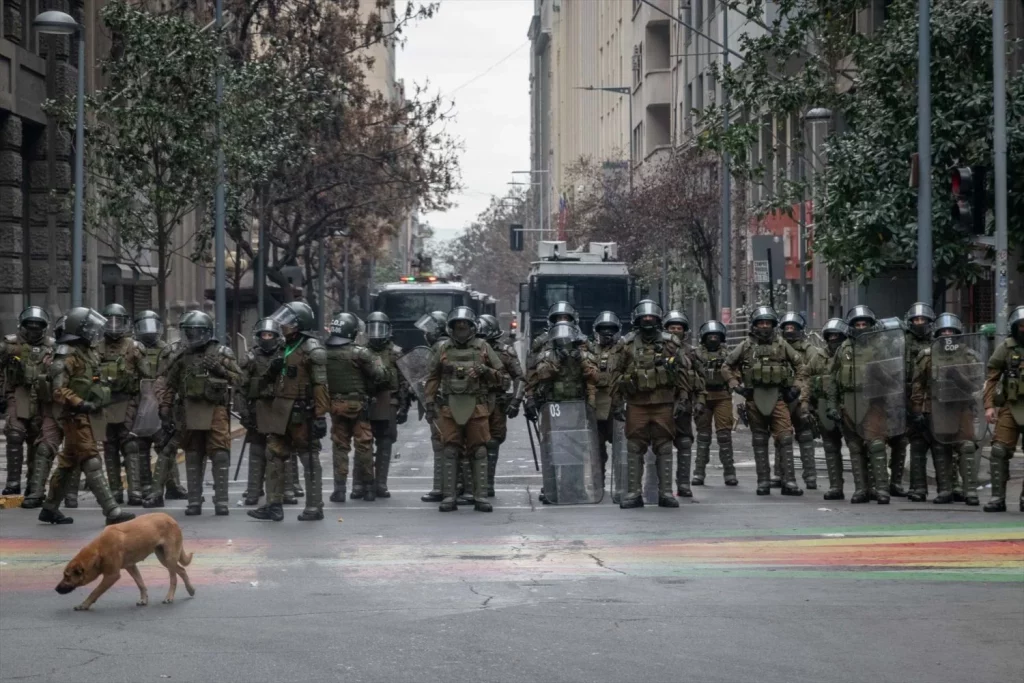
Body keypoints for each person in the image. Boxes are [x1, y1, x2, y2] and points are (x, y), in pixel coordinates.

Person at [40, 307, 135, 526]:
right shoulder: (67, 354)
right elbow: (58, 390)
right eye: (89, 327)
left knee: (67, 463)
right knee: (91, 460)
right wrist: (81, 403)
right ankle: (111, 510)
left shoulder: (86, 351)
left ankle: (49, 508)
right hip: (74, 417)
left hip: (86, 415)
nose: (94, 332)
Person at [248, 302, 328, 522]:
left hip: (303, 413)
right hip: (281, 412)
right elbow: (266, 382)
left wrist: (320, 416)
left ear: (299, 324)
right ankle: (274, 505)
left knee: (308, 457)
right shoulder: (284, 347)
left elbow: (321, 385)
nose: (283, 326)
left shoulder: (312, 349)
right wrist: (271, 372)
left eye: (289, 322)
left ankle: (314, 506)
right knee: (273, 455)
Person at [424, 306, 505, 513]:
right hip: (450, 406)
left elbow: (502, 377)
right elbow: (432, 376)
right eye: (457, 326)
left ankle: (480, 496)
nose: (461, 329)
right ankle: (449, 496)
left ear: (472, 327)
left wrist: (484, 370)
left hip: (477, 407)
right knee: (450, 449)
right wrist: (429, 403)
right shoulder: (443, 348)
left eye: (464, 325)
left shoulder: (483, 347)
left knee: (479, 451)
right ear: (450, 328)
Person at [160, 310, 240, 516]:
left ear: (205, 332)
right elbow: (170, 384)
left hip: (216, 411)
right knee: (193, 454)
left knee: (220, 454)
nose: (191, 337)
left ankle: (221, 501)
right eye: (188, 332)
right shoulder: (182, 357)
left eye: (195, 332)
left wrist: (221, 370)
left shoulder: (221, 353)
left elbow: (241, 380)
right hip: (190, 411)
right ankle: (194, 501)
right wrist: (165, 407)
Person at [723, 306, 809, 497]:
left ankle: (789, 481)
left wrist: (796, 387)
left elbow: (801, 366)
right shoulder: (746, 346)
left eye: (767, 323)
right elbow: (727, 366)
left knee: (786, 437)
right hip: (754, 399)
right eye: (761, 323)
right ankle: (763, 482)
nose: (764, 326)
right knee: (759, 440)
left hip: (778, 398)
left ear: (773, 325)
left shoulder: (781, 344)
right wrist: (735, 385)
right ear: (754, 325)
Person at [614, 300, 692, 509]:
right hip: (636, 403)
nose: (648, 321)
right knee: (634, 447)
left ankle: (665, 493)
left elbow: (683, 373)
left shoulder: (670, 343)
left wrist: (683, 398)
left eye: (651, 318)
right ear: (637, 320)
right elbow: (616, 373)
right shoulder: (627, 344)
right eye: (644, 318)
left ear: (658, 320)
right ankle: (633, 493)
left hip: (663, 403)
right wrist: (616, 403)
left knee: (664, 447)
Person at [910, 313, 982, 506]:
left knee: (966, 447)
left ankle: (970, 491)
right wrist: (917, 410)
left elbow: (975, 385)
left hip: (962, 408)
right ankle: (945, 490)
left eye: (951, 331)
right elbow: (918, 385)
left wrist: (958, 377)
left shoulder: (968, 355)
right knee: (941, 448)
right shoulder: (927, 355)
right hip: (937, 407)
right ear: (937, 333)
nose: (947, 334)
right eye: (944, 331)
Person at [827, 305, 895, 504]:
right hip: (849, 402)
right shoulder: (844, 348)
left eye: (865, 323)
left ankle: (881, 489)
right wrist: (832, 405)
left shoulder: (880, 348)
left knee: (876, 445)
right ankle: (861, 489)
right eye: (858, 323)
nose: (861, 326)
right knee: (855, 448)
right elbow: (832, 379)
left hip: (873, 403)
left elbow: (893, 378)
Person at [2, 307, 61, 505]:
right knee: (15, 433)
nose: (34, 329)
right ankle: (12, 482)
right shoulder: (10, 345)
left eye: (38, 326)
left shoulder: (52, 347)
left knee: (38, 441)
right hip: (18, 394)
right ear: (23, 326)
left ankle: (33, 485)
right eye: (30, 326)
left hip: (43, 399)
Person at [97, 303, 151, 505]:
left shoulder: (134, 347)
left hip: (128, 401)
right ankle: (114, 491)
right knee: (109, 446)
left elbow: (147, 377)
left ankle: (134, 491)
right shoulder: (97, 347)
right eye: (109, 321)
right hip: (105, 403)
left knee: (130, 445)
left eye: (117, 321)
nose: (113, 326)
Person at [363, 312, 410, 500]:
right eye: (372, 328)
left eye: (380, 328)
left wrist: (404, 407)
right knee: (363, 442)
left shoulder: (396, 352)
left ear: (388, 330)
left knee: (385, 442)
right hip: (365, 400)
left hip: (388, 400)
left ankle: (380, 483)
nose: (376, 333)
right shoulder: (361, 351)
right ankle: (362, 483)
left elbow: (404, 381)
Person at [982, 305, 1024, 512]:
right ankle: (997, 498)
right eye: (1021, 326)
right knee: (999, 450)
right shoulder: (1006, 348)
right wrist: (989, 406)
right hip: (1010, 405)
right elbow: (991, 379)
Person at [477, 314, 524, 497]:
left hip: (496, 401)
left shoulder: (505, 352)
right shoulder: (468, 348)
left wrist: (515, 402)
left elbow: (519, 377)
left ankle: (488, 483)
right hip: (472, 400)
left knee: (493, 441)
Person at [239, 319, 284, 506]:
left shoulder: (284, 356)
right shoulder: (251, 358)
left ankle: (285, 489)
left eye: (270, 335)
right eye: (264, 335)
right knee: (257, 450)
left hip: (279, 408)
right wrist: (244, 413)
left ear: (276, 337)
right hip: (257, 408)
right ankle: (253, 489)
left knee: (280, 451)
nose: (267, 338)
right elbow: (241, 387)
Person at [778, 312, 823, 490]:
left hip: (802, 398)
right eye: (787, 328)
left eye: (793, 328)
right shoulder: (777, 347)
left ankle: (810, 476)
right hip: (782, 397)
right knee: (782, 437)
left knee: (805, 436)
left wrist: (807, 399)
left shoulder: (809, 350)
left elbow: (812, 374)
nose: (790, 331)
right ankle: (780, 474)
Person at [663, 310, 706, 498]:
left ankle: (683, 484)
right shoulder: (658, 348)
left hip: (684, 403)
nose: (675, 331)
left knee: (685, 442)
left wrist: (700, 400)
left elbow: (700, 379)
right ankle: (660, 485)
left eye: (678, 328)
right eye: (672, 327)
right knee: (661, 444)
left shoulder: (690, 352)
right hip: (662, 403)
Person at [692, 320, 737, 486]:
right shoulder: (695, 354)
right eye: (710, 335)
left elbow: (736, 372)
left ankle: (729, 472)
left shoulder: (728, 355)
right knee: (703, 436)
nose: (713, 338)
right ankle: (699, 472)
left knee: (724, 435)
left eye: (716, 336)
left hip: (722, 396)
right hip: (702, 397)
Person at [898, 303, 936, 498]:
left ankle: (951, 486)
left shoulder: (938, 342)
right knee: (914, 441)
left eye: (923, 320)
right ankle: (916, 486)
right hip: (907, 397)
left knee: (942, 443)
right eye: (916, 320)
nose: (920, 323)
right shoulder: (902, 343)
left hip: (934, 399)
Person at [588, 311, 627, 491]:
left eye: (610, 329)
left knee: (622, 449)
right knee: (596, 449)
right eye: (603, 329)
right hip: (593, 405)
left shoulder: (624, 350)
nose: (607, 333)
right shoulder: (588, 350)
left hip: (617, 404)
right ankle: (598, 484)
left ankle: (622, 483)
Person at [814, 319, 850, 500]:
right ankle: (836, 486)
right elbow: (805, 376)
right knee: (830, 447)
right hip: (824, 405)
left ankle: (869, 487)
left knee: (858, 447)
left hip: (850, 404)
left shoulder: (852, 353)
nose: (834, 340)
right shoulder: (818, 356)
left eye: (838, 336)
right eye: (831, 336)